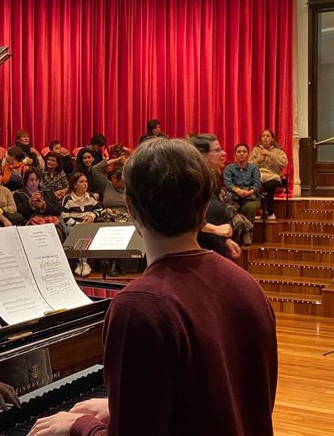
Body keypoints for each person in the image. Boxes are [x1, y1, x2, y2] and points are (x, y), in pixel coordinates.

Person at [28, 137, 277, 436]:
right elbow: (223, 400)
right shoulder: (246, 285)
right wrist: (122, 408)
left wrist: (80, 425)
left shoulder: (141, 305)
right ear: (203, 204)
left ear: (130, 208)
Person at [189, 134, 242, 260]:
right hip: (198, 256)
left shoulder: (211, 180)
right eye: (217, 150)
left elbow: (214, 216)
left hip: (215, 252)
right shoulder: (192, 183)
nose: (223, 153)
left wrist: (225, 241)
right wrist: (215, 229)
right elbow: (185, 219)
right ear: (203, 156)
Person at [61, 172, 103, 277]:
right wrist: (79, 225)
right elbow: (65, 217)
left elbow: (99, 210)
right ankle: (82, 262)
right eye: (81, 182)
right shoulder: (68, 198)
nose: (85, 184)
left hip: (88, 223)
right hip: (73, 224)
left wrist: (92, 216)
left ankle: (83, 263)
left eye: (86, 181)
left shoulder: (91, 196)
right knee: (78, 233)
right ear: (75, 185)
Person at [250, 129, 288, 220]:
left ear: (272, 139)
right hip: (259, 175)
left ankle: (269, 212)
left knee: (269, 185)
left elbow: (284, 163)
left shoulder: (278, 151)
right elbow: (249, 165)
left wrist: (270, 154)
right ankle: (261, 211)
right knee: (257, 185)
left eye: (268, 136)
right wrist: (258, 160)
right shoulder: (256, 150)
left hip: (273, 176)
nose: (265, 138)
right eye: (263, 136)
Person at [224, 143, 261, 224]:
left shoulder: (254, 168)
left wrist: (249, 192)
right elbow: (228, 183)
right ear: (235, 154)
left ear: (248, 153)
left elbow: (257, 184)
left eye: (244, 151)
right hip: (234, 197)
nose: (242, 154)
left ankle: (248, 233)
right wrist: (237, 190)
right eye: (239, 152)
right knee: (230, 207)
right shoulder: (229, 168)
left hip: (251, 198)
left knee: (249, 207)